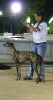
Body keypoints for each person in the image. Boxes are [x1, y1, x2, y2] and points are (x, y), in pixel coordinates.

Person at [23, 11, 48, 82]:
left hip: (41, 44)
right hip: (35, 44)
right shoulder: (36, 24)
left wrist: (28, 25)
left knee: (40, 61)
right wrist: (27, 27)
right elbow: (31, 31)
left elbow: (36, 30)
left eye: (36, 16)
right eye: (35, 17)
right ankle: (30, 75)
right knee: (32, 60)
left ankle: (41, 77)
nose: (35, 18)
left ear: (41, 16)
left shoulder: (44, 24)